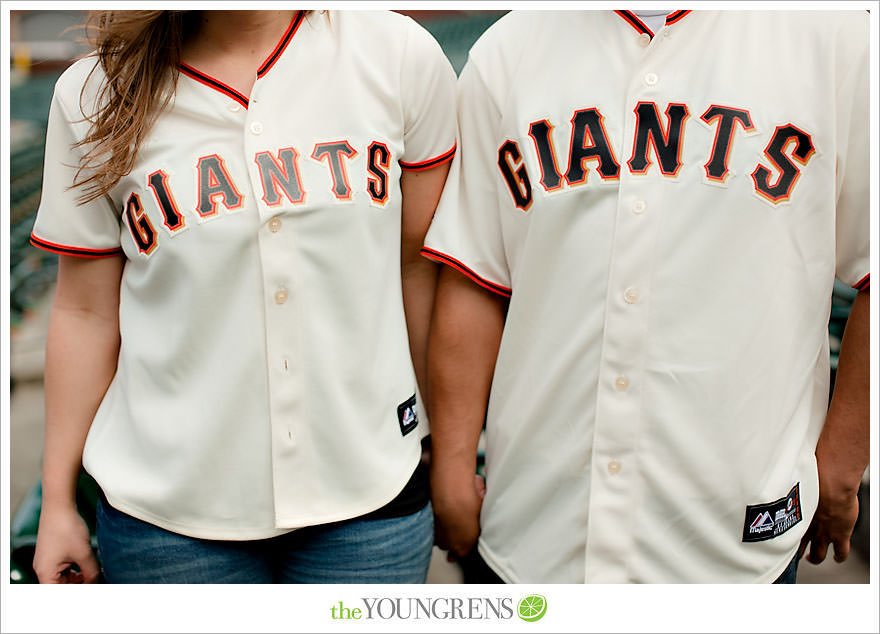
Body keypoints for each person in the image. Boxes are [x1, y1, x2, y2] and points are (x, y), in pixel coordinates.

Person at [424, 9, 869, 583]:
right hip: (533, 528)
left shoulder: (835, 37)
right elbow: (475, 276)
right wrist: (455, 465)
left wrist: (842, 462)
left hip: (731, 538)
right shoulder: (509, 47)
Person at [31, 9, 456, 583]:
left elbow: (418, 271)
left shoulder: (397, 54)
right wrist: (57, 502)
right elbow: (85, 313)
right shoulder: (92, 92)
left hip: (368, 495)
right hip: (168, 518)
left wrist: (447, 452)